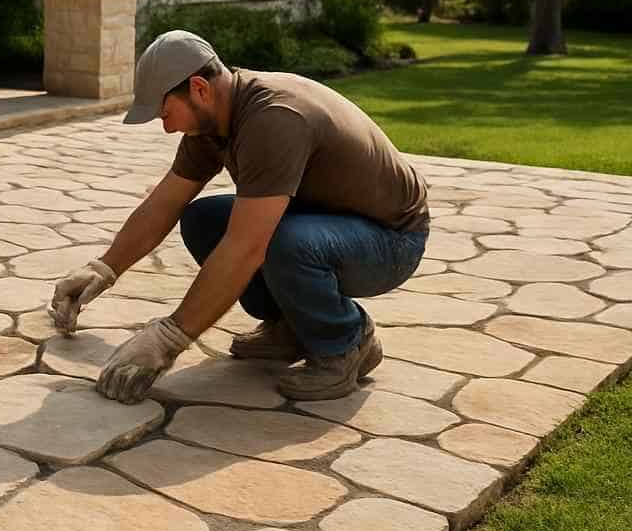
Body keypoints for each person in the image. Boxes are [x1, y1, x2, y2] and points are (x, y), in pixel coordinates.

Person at [50, 30, 429, 403]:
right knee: (203, 219)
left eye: (166, 113)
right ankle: (291, 328)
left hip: (391, 239)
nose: (166, 127)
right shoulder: (215, 118)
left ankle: (346, 342)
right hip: (327, 220)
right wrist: (104, 268)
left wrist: (168, 338)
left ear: (198, 88)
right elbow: (164, 203)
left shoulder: (273, 119)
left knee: (278, 242)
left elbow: (247, 247)